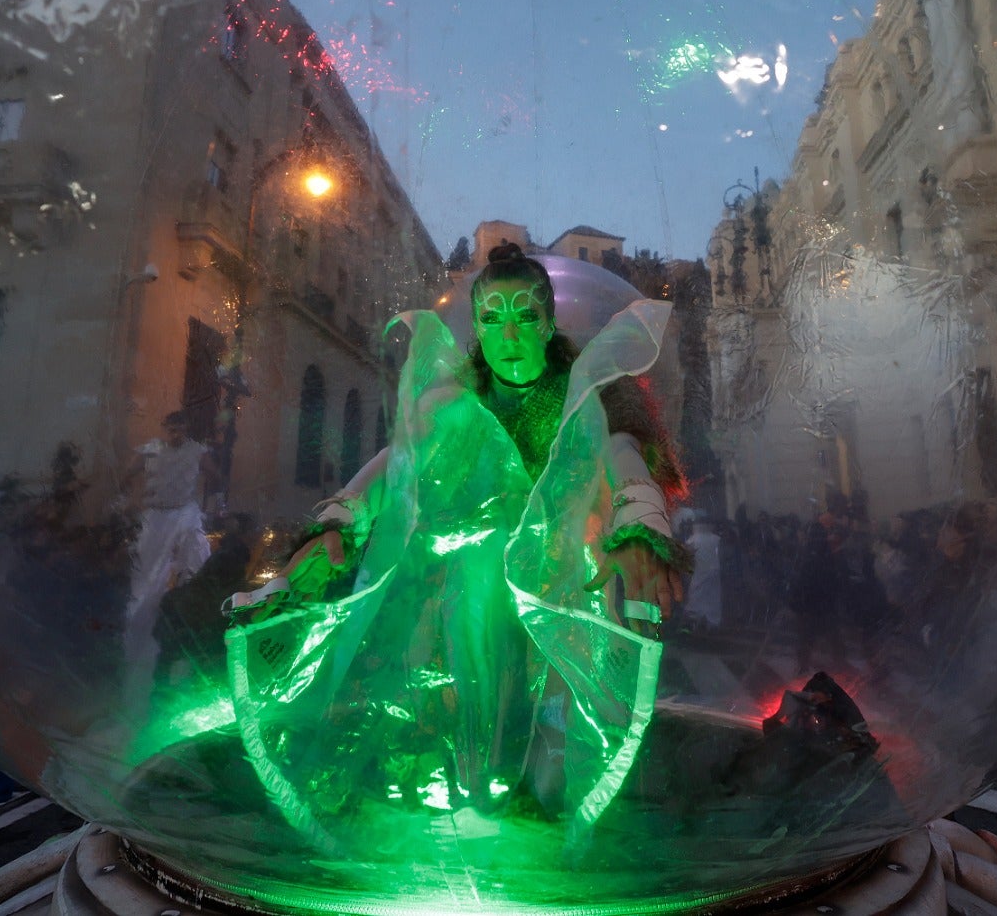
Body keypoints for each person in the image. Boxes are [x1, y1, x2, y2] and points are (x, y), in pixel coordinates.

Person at [226, 243, 687, 832]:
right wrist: (339, 519)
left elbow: (619, 453)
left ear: (548, 323)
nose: (509, 333)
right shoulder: (457, 404)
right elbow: (398, 463)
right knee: (469, 722)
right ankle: (467, 782)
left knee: (564, 782)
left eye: (525, 314)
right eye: (492, 317)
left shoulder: (581, 399)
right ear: (477, 327)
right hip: (476, 591)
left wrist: (642, 529)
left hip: (563, 591)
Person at [121, 409, 220, 701]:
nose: (176, 434)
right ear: (165, 428)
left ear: (186, 428)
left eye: (180, 429)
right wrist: (129, 501)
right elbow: (128, 473)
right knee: (145, 581)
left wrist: (211, 497)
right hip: (156, 514)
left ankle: (189, 620)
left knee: (195, 560)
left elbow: (215, 475)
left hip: (184, 512)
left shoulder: (197, 451)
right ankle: (138, 637)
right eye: (171, 429)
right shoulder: (151, 449)